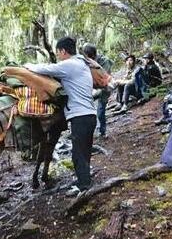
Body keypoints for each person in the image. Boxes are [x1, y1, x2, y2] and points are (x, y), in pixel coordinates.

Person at [24, 37, 96, 196]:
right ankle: (83, 180)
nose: (58, 56)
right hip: (89, 114)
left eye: (58, 53)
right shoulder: (82, 64)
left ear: (63, 51)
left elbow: (46, 69)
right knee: (84, 151)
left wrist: (27, 67)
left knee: (78, 153)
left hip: (81, 116)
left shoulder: (70, 65)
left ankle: (84, 187)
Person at [83, 43, 113, 139]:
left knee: (100, 111)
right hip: (93, 89)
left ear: (92, 55)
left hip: (104, 89)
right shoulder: (87, 62)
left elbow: (105, 78)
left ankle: (102, 131)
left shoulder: (105, 61)